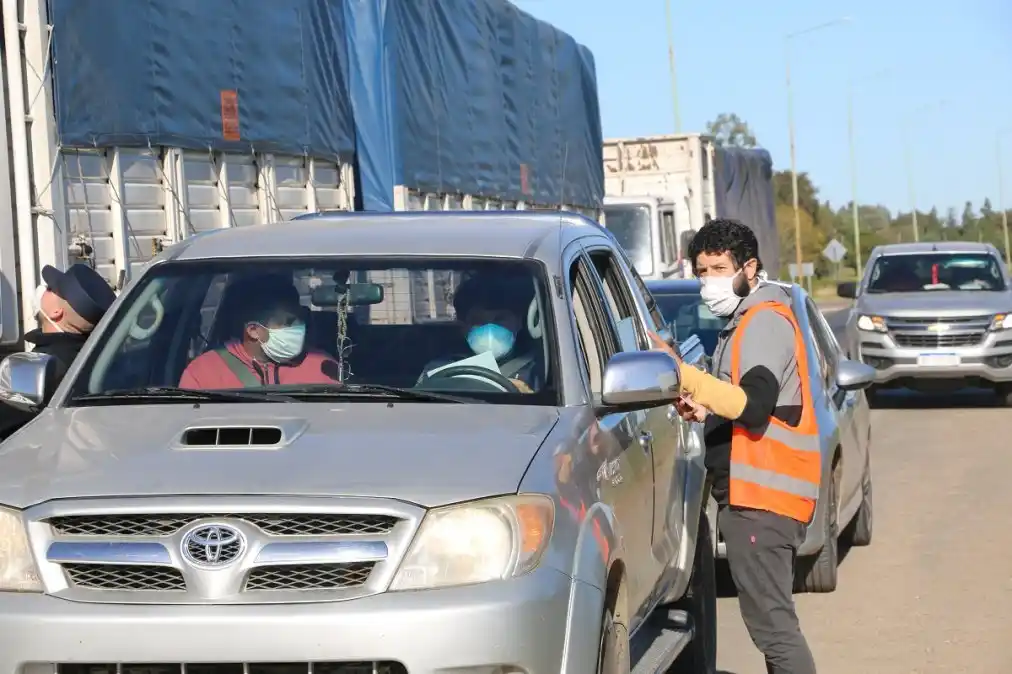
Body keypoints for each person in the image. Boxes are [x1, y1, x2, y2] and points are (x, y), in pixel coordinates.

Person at [650, 218, 819, 674]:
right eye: (702, 271)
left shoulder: (763, 322)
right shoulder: (744, 321)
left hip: (763, 498)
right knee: (773, 626)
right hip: (758, 495)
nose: (710, 282)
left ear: (750, 267)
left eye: (720, 269)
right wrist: (707, 410)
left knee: (775, 631)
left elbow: (755, 404)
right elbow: (746, 404)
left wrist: (682, 374)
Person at [0, 263, 117, 437]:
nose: (43, 288)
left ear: (56, 312)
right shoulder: (94, 357)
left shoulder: (40, 365)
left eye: (50, 288)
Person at [179, 275, 340, 389]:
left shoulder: (323, 366)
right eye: (288, 322)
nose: (299, 328)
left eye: (300, 319)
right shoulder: (203, 373)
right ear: (253, 330)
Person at [418, 271, 540, 392]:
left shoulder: (539, 370)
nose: (490, 329)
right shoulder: (437, 368)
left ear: (519, 322)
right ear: (464, 327)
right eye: (478, 320)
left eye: (500, 319)